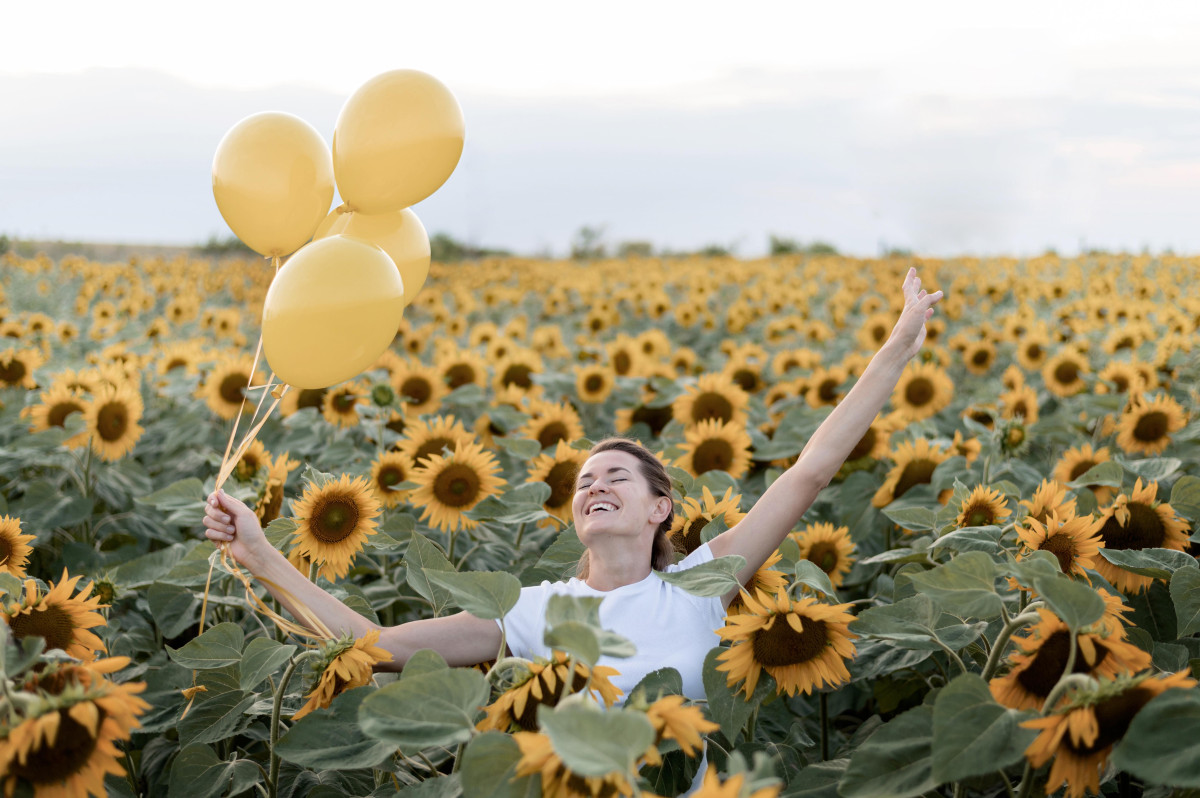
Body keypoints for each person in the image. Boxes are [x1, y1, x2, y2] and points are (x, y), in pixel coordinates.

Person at [203, 267, 942, 787]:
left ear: (661, 509)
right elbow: (377, 649)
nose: (594, 483)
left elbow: (807, 472)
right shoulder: (532, 611)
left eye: (616, 474)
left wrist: (899, 343)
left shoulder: (701, 585)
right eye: (585, 479)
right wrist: (263, 555)